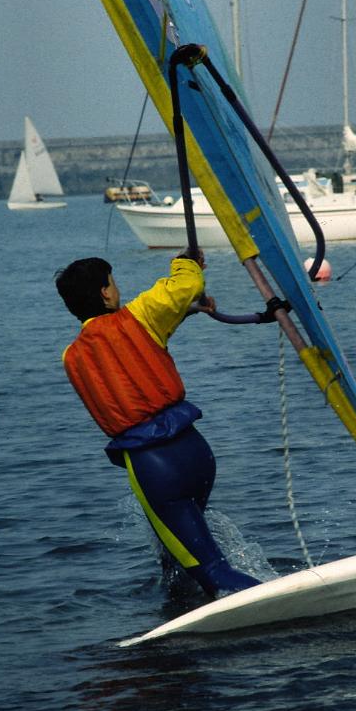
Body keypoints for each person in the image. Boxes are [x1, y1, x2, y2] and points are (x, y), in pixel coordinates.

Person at [54, 250, 263, 599]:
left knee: (212, 570)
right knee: (178, 556)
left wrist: (184, 306)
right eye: (114, 283)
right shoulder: (140, 316)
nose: (118, 290)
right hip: (195, 451)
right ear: (105, 293)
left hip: (155, 469)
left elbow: (119, 348)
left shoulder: (71, 357)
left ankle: (286, 607)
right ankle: (183, 603)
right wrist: (185, 261)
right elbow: (185, 286)